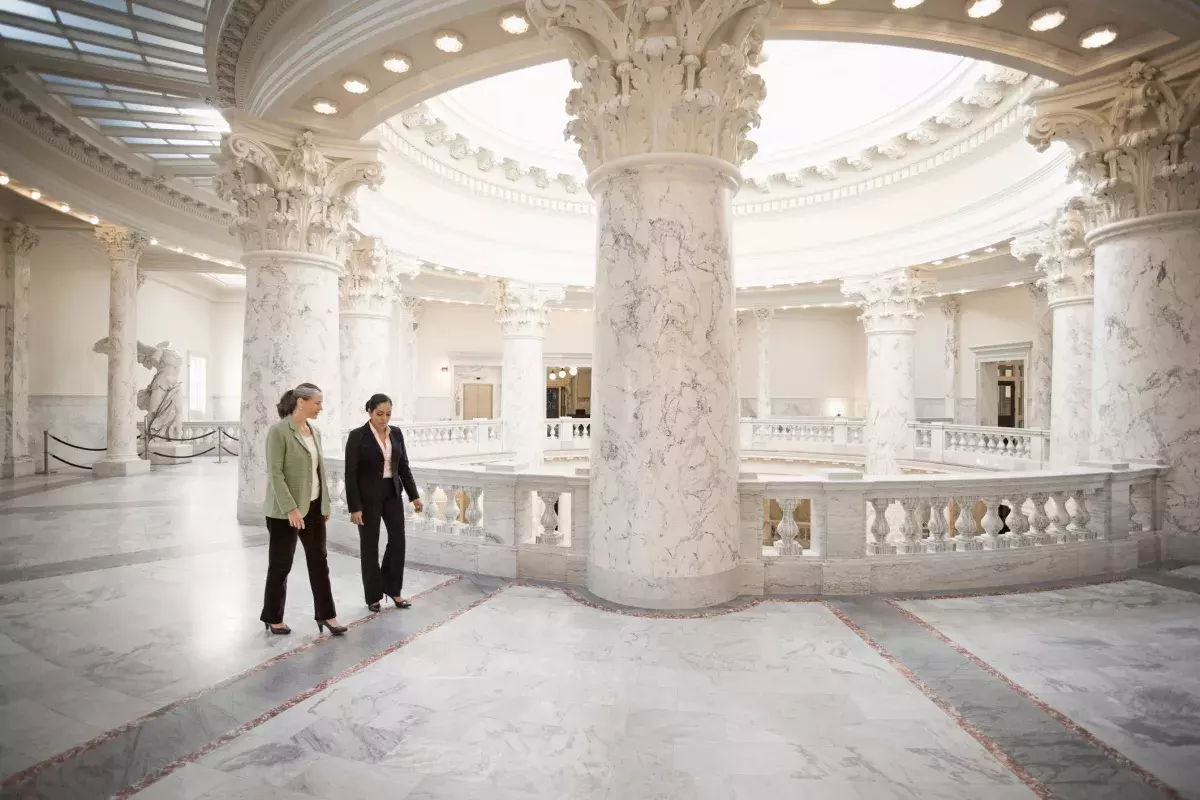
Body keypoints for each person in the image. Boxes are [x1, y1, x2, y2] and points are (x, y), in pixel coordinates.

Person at [260, 383, 347, 637]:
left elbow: (319, 472)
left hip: (314, 509)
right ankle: (273, 617)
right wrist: (291, 509)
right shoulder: (279, 431)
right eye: (317, 403)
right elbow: (275, 474)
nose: (321, 407)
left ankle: (327, 615)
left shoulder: (314, 431)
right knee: (281, 565)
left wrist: (325, 504)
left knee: (320, 563)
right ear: (301, 402)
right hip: (284, 513)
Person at [345, 393, 423, 612]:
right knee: (369, 546)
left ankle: (393, 589)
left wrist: (414, 495)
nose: (384, 418)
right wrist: (355, 507)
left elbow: (403, 467)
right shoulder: (357, 436)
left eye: (388, 414)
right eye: (379, 414)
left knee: (398, 541)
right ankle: (373, 596)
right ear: (369, 411)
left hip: (392, 494)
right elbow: (350, 474)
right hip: (367, 499)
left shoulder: (396, 433)